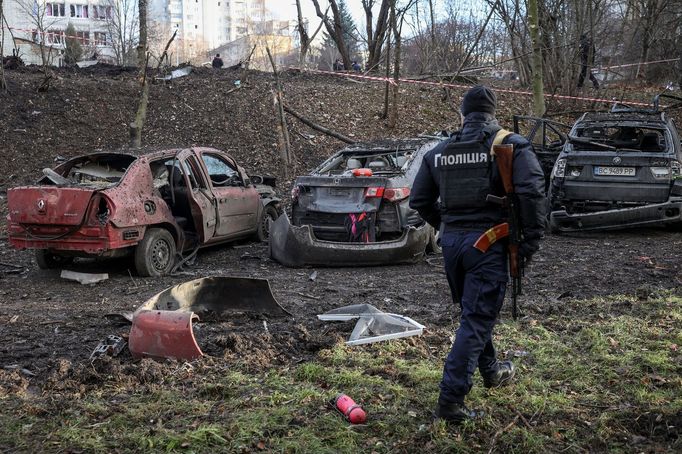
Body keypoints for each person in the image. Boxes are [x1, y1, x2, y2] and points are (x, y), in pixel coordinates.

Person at [409, 85, 546, 424]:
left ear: (463, 113)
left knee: (474, 313)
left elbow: (419, 201)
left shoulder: (440, 151)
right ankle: (450, 401)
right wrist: (529, 242)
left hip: (452, 246)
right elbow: (532, 193)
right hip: (488, 244)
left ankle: (493, 371)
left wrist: (449, 226)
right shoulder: (510, 145)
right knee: (476, 319)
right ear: (493, 112)